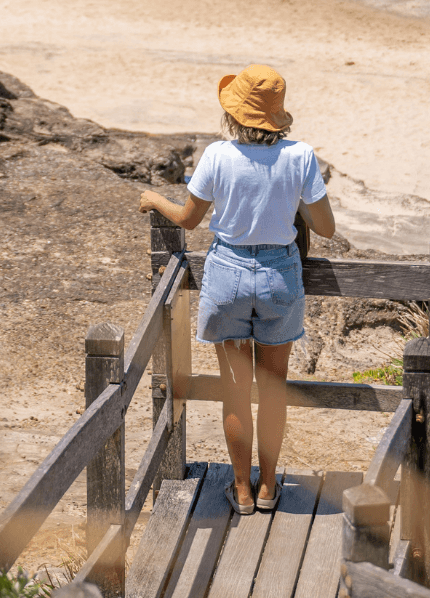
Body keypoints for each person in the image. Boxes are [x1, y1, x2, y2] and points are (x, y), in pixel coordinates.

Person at [138, 64, 335, 515]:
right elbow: (324, 227)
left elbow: (189, 219)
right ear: (277, 115)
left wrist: (153, 200)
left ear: (235, 114)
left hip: (227, 274)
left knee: (234, 388)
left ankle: (242, 492)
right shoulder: (300, 156)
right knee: (272, 389)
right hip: (279, 276)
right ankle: (269, 490)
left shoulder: (217, 156)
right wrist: (290, 208)